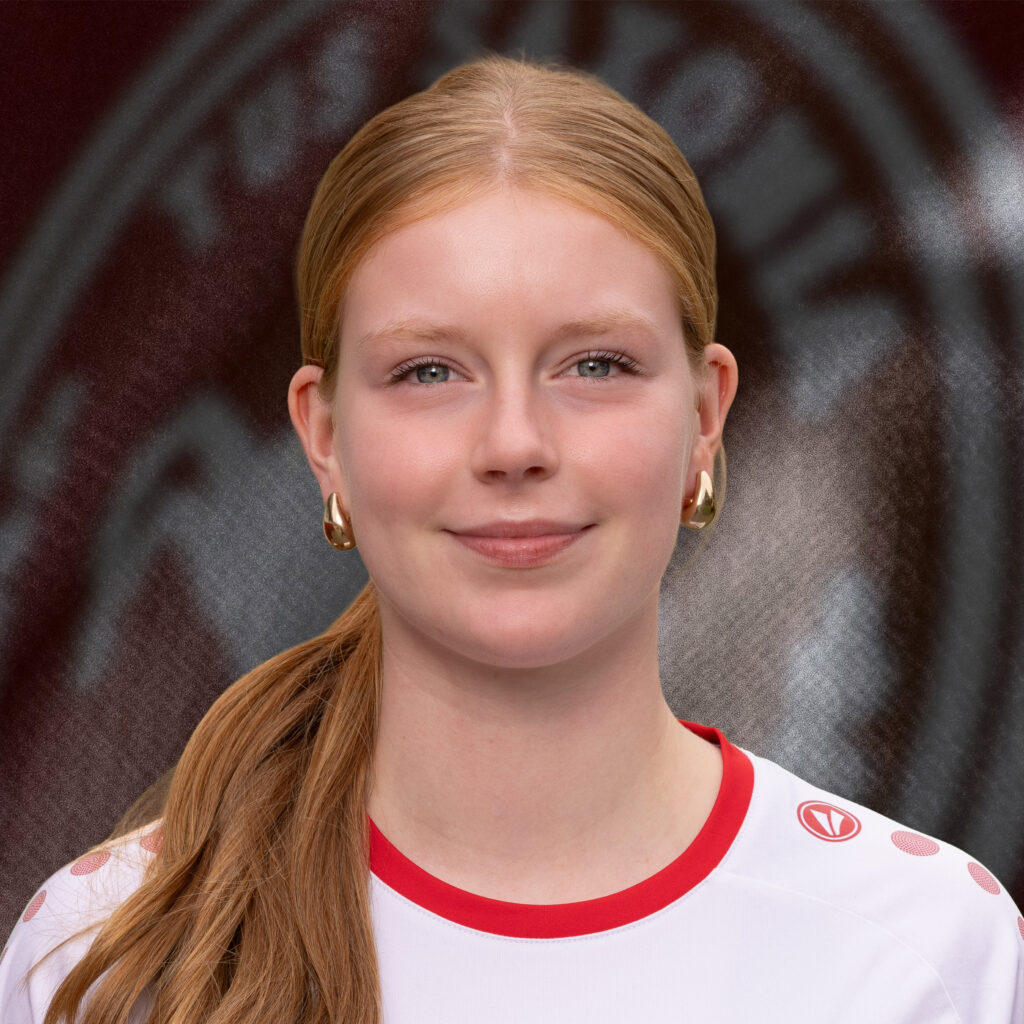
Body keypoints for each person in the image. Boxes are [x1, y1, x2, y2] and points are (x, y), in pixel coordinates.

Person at [1, 51, 1021, 1024]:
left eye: (596, 365)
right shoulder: (105, 952)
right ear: (323, 436)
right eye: (429, 372)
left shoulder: (927, 950)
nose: (514, 445)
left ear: (706, 416)